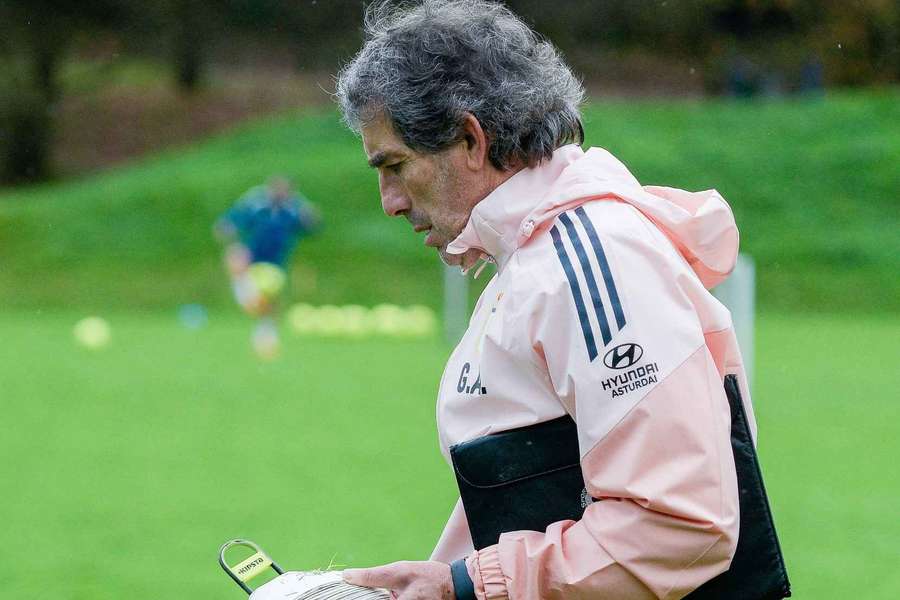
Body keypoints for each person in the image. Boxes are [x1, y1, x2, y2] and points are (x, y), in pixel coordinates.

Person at [336, 1, 760, 598]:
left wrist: (467, 586)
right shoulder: (533, 259)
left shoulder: (588, 258)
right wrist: (440, 582)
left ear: (471, 139)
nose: (389, 201)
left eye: (396, 166)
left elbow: (678, 522)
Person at [214, 176, 320, 358]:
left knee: (269, 303)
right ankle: (262, 329)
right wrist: (232, 240)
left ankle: (266, 337)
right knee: (252, 298)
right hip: (251, 261)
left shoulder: (292, 210)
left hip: (275, 264)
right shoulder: (256, 206)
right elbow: (227, 224)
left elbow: (312, 227)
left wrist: (311, 216)